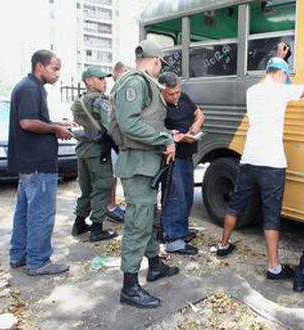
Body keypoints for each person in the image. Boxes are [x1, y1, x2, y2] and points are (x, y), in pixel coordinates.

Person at [215, 35, 304, 281]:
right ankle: (274, 266)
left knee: (236, 203)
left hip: (249, 159)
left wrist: (279, 56)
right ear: (282, 75)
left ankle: (223, 245)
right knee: (271, 214)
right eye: (285, 75)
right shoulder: (282, 92)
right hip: (272, 164)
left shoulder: (253, 91)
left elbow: (271, 74)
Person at [110, 40, 178, 309]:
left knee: (149, 218)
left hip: (145, 164)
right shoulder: (136, 82)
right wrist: (164, 138)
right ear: (157, 61)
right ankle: (129, 287)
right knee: (138, 224)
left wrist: (163, 138)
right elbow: (128, 124)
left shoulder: (139, 82)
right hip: (138, 166)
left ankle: (155, 266)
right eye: (161, 63)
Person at [8, 50, 74, 276]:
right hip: (38, 163)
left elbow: (34, 119)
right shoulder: (29, 88)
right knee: (41, 214)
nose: (58, 74)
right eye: (54, 69)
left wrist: (57, 123)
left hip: (29, 163)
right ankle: (38, 261)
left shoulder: (29, 86)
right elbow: (27, 122)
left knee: (25, 212)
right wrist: (55, 129)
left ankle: (19, 255)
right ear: (40, 66)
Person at [157, 71, 204, 255]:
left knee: (186, 195)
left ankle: (180, 232)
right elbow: (155, 130)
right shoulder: (158, 106)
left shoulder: (184, 98)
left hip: (187, 154)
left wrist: (195, 126)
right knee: (174, 196)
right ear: (162, 91)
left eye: (177, 92)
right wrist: (174, 136)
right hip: (171, 156)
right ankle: (172, 239)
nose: (175, 96)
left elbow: (200, 114)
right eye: (171, 94)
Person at [70, 67, 118, 242]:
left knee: (85, 188)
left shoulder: (79, 101)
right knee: (102, 187)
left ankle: (79, 222)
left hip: (83, 149)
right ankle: (97, 228)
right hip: (98, 151)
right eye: (100, 78)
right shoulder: (98, 101)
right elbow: (110, 125)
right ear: (89, 81)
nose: (104, 82)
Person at [106, 61, 130, 223]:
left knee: (116, 176)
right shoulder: (119, 89)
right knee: (114, 177)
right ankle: (111, 207)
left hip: (117, 143)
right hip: (118, 144)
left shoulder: (120, 87)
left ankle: (112, 206)